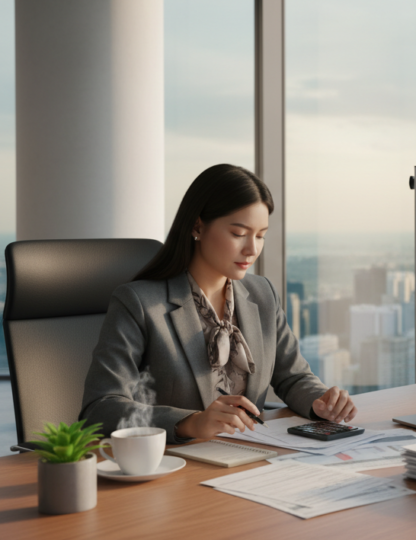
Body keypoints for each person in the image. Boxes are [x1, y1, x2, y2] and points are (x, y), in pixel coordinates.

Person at [80, 164, 356, 443]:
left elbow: (293, 377)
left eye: (260, 235)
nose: (252, 249)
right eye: (239, 234)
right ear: (198, 226)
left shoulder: (262, 294)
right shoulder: (140, 303)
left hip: (251, 455)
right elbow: (100, 408)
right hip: (176, 466)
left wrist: (320, 400)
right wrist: (190, 422)